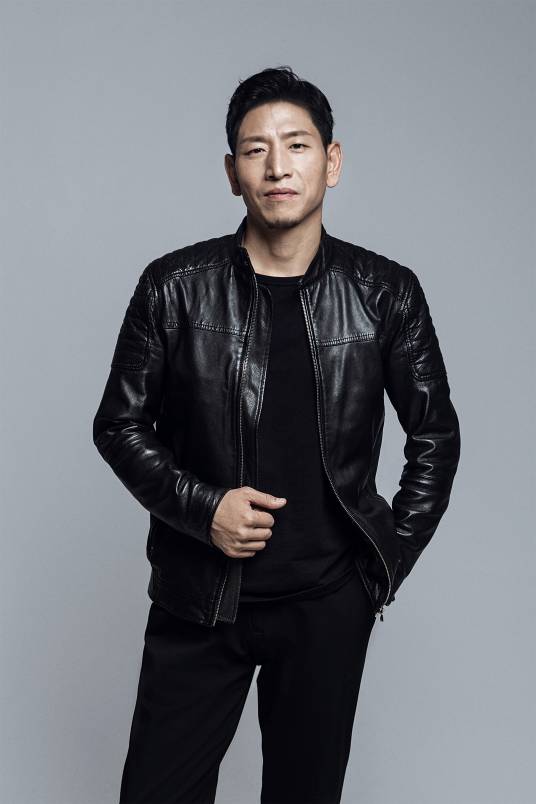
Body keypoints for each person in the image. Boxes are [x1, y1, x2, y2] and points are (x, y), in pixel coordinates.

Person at [93, 65, 461, 804]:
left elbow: (436, 436)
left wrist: (383, 564)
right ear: (233, 173)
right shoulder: (174, 287)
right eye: (255, 149)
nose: (277, 166)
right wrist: (205, 509)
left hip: (327, 607)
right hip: (199, 599)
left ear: (331, 161)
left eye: (296, 145)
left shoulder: (385, 293)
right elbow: (119, 424)